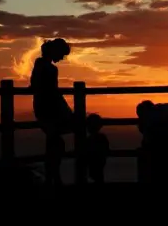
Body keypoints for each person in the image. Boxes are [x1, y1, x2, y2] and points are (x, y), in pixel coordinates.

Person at [30, 38, 73, 186]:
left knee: (53, 143)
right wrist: (66, 111)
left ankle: (52, 178)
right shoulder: (51, 69)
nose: (62, 58)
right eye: (61, 55)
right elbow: (54, 93)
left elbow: (35, 85)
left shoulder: (39, 64)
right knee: (56, 143)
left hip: (42, 108)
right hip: (50, 110)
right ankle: (54, 178)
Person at [83, 113, 110, 183]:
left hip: (94, 162)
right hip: (99, 162)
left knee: (97, 176)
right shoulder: (102, 138)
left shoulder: (89, 140)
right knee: (99, 177)